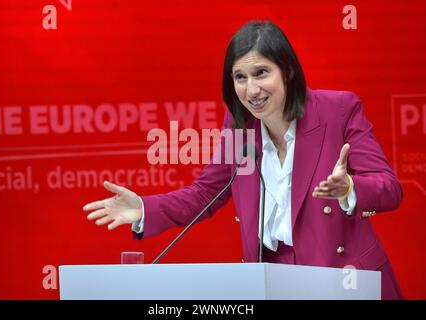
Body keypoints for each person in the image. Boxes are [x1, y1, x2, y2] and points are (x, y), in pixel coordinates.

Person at [83, 21, 403, 300]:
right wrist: (144, 208)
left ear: (288, 70)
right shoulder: (241, 124)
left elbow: (389, 188)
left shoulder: (338, 110)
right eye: (240, 77)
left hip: (343, 281)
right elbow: (207, 193)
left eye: (261, 73)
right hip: (271, 282)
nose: (251, 89)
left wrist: (349, 187)